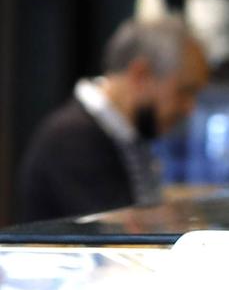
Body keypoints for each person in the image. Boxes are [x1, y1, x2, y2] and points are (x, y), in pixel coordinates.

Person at [15, 16, 209, 222]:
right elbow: (120, 234)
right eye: (185, 91)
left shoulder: (122, 135)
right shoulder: (71, 139)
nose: (190, 108)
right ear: (141, 75)